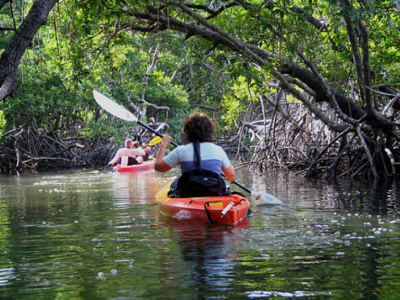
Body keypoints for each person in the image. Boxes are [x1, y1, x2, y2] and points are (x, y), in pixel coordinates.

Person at [154, 113, 235, 197]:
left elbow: (158, 167)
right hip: (213, 192)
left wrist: (163, 144)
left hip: (188, 193)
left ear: (188, 131)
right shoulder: (218, 150)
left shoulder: (181, 150)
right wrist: (226, 177)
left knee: (175, 182)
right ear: (209, 131)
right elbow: (232, 176)